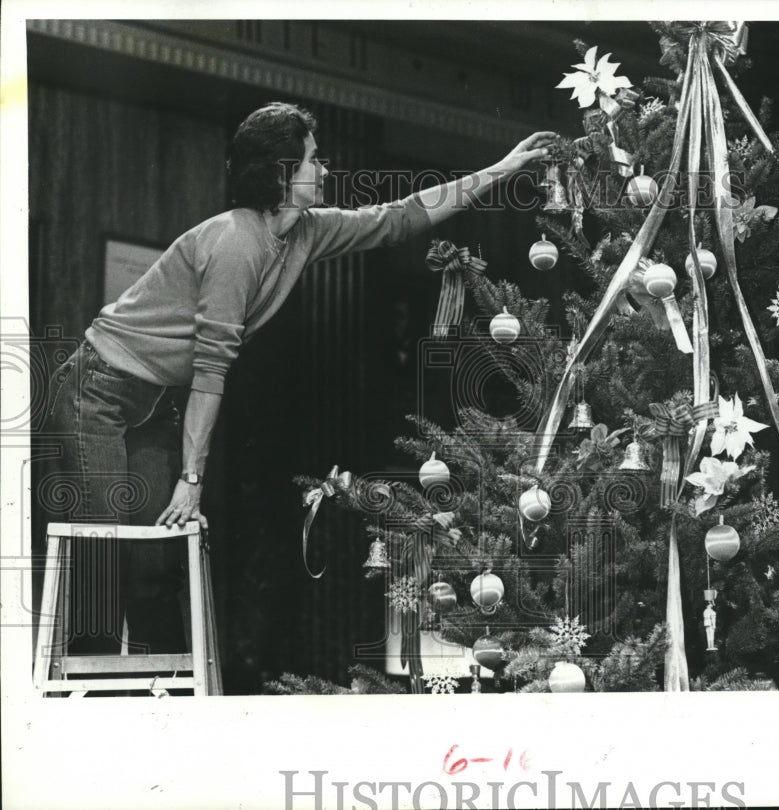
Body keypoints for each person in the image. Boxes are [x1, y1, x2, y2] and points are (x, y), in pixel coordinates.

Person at [46, 101, 555, 655]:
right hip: (99, 392)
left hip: (155, 399)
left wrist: (501, 168)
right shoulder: (235, 241)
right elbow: (212, 370)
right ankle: (86, 709)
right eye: (315, 159)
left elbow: (399, 217)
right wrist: (192, 480)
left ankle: (163, 709)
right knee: (101, 554)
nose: (326, 169)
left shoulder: (305, 232)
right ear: (283, 173)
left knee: (155, 565)